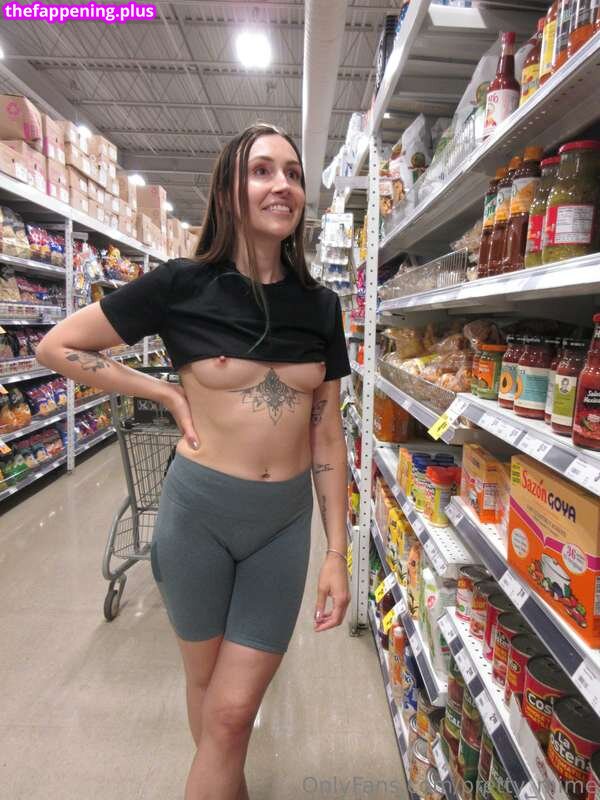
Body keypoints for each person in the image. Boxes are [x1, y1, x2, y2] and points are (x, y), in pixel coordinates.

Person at [35, 122, 352, 800]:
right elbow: (57, 346)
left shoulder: (321, 307)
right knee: (209, 696)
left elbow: (326, 435)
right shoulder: (182, 285)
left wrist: (336, 553)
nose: (282, 185)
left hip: (282, 526)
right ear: (229, 191)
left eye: (293, 173)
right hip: (197, 516)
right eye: (262, 171)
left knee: (232, 712)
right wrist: (162, 391)